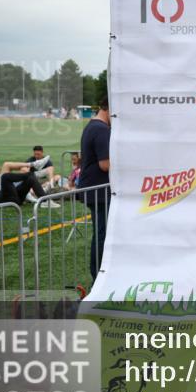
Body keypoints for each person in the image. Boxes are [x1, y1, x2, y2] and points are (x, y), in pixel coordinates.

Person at [78, 98, 111, 280]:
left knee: (101, 233)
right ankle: (98, 274)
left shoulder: (94, 126)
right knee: (102, 234)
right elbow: (105, 164)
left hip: (94, 190)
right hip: (98, 191)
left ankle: (98, 272)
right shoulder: (101, 129)